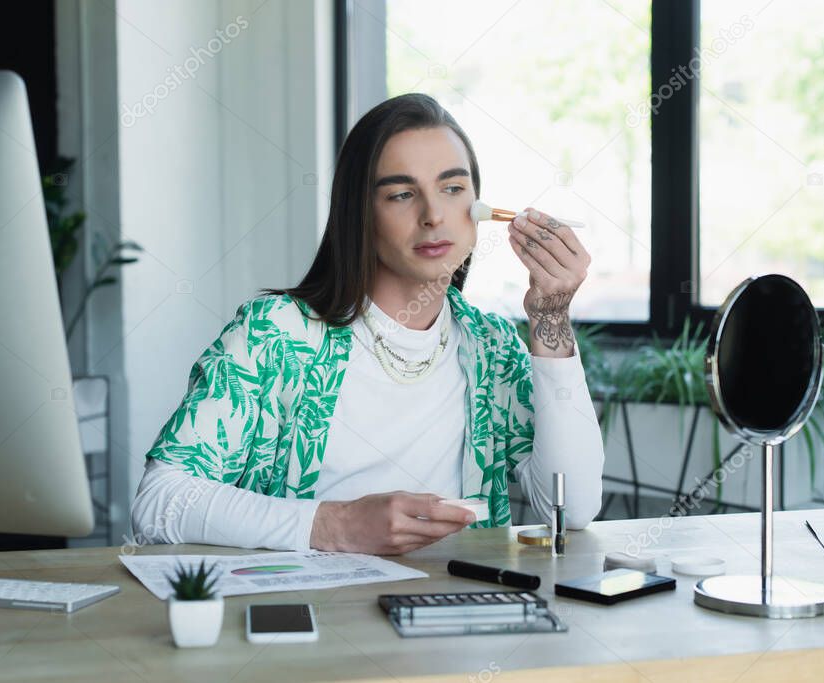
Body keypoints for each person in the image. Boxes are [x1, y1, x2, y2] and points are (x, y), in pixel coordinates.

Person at [130, 93, 605, 555]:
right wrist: (334, 526)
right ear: (360, 213)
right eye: (401, 194)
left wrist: (551, 319)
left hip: (458, 614)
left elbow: (572, 507)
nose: (433, 215)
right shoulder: (276, 335)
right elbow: (158, 502)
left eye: (453, 188)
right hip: (311, 619)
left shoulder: (493, 346)